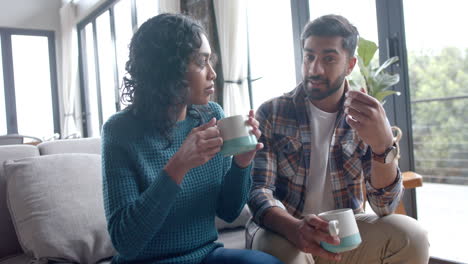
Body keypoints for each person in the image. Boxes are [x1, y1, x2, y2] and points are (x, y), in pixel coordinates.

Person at [246, 14, 429, 264]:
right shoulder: (273, 112)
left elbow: (384, 206)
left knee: (412, 236)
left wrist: (382, 145)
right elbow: (258, 191)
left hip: (342, 232)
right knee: (290, 258)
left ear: (350, 64)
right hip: (283, 230)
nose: (315, 69)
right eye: (309, 56)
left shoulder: (365, 117)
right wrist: (297, 228)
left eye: (329, 59)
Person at [101, 13, 283, 264]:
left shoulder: (211, 116)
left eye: (210, 61)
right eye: (200, 62)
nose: (212, 74)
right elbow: (126, 241)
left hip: (205, 255)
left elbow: (229, 212)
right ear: (168, 68)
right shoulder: (120, 131)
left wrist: (242, 163)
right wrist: (178, 166)